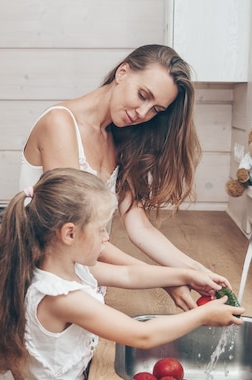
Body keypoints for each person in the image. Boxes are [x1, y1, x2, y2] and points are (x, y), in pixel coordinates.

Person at [0, 168, 244, 380]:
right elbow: (141, 335)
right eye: (101, 228)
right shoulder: (60, 297)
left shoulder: (68, 270)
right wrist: (203, 315)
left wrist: (187, 274)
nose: (106, 237)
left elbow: (128, 274)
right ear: (69, 234)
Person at [20, 44, 228, 310]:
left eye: (156, 110)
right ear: (123, 72)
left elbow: (139, 226)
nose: (143, 113)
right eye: (143, 95)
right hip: (47, 287)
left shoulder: (119, 139)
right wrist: (167, 277)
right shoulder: (59, 125)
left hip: (86, 283)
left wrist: (197, 270)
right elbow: (77, 231)